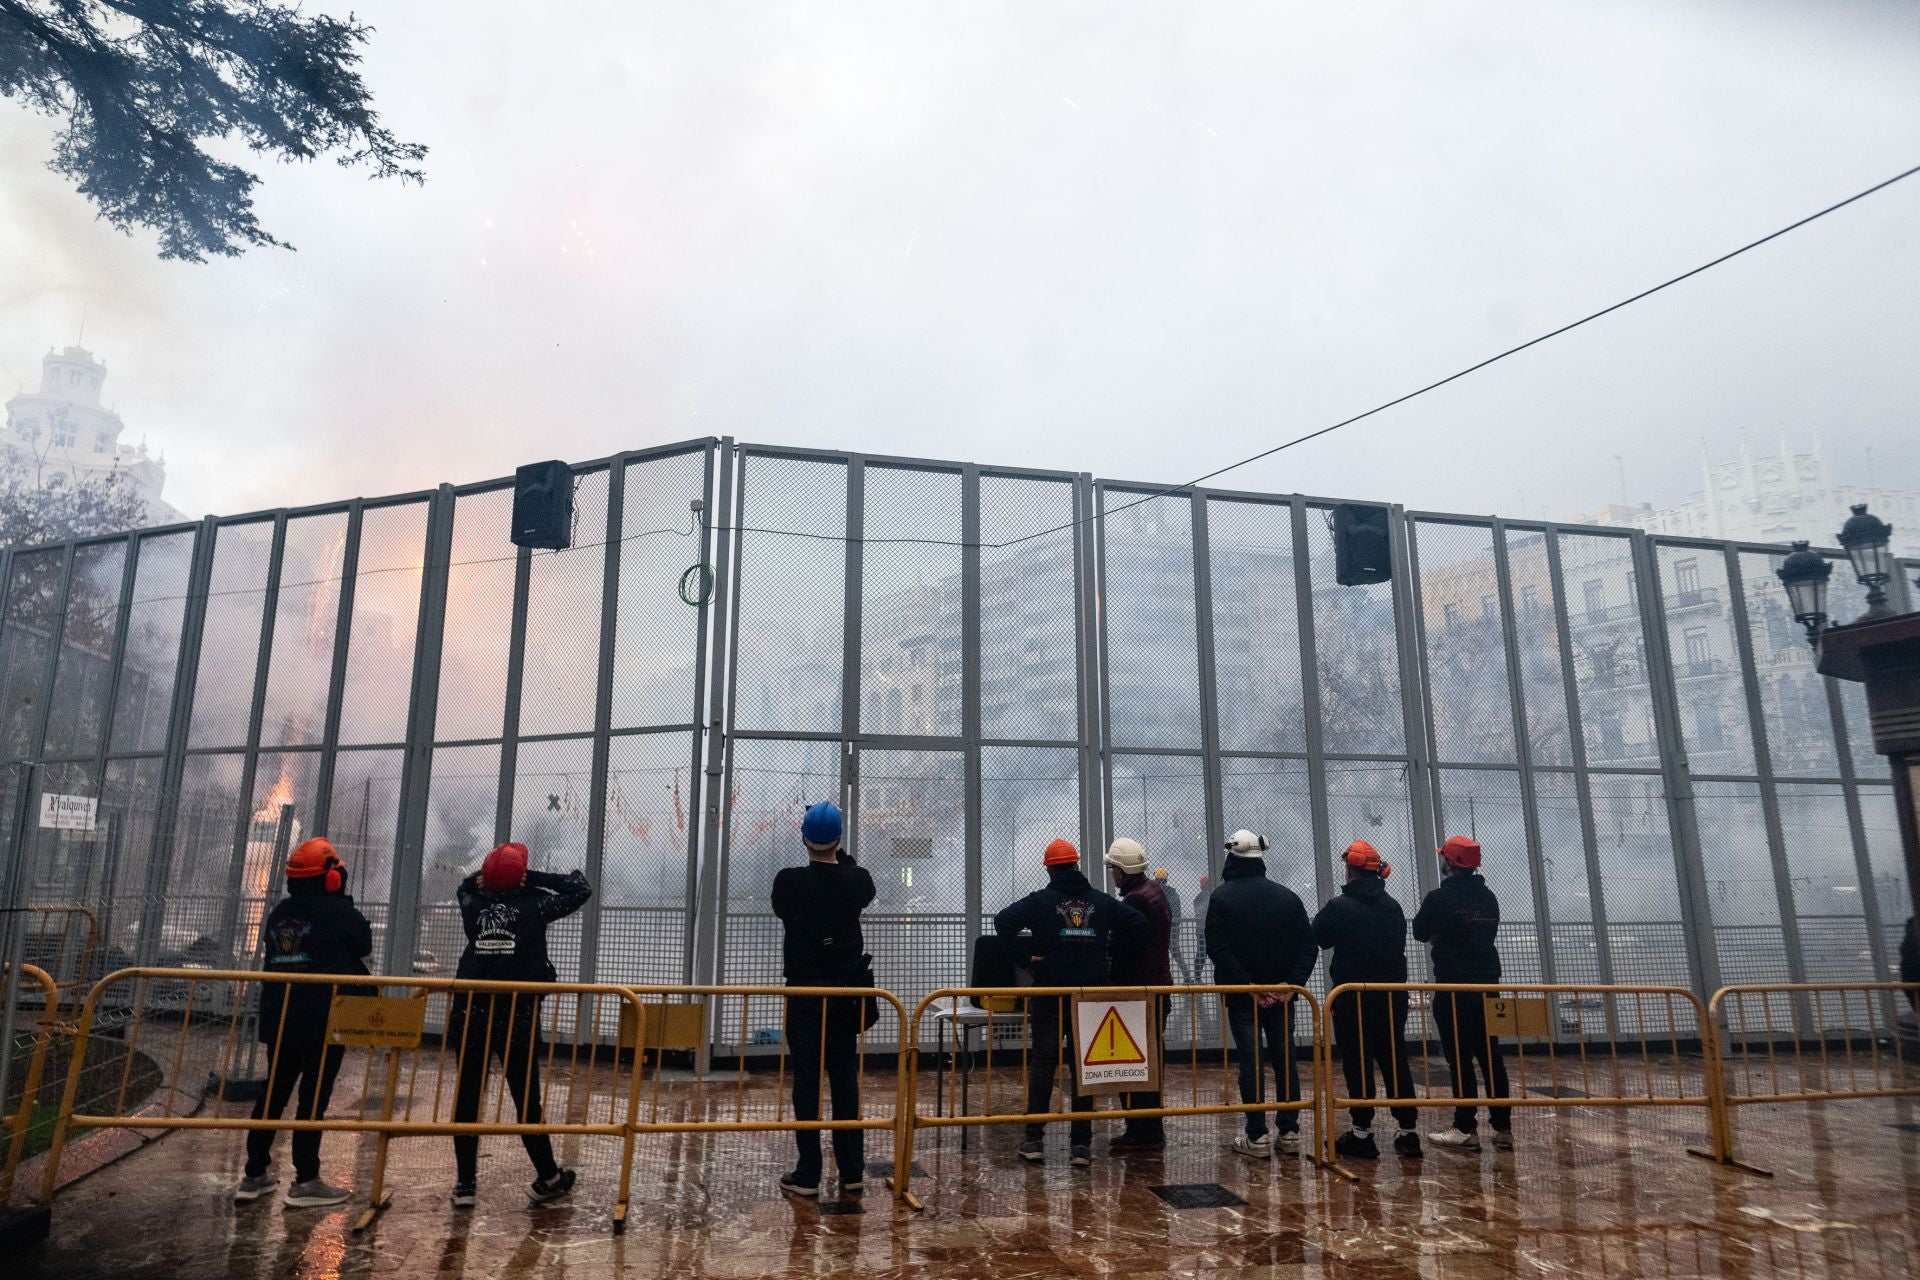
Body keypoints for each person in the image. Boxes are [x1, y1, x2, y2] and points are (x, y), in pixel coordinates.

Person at [448, 842, 591, 1208]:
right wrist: (533, 880)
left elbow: (465, 885)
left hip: (471, 1011)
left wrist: (489, 878)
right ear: (522, 876)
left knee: (467, 1096)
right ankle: (549, 1176)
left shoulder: (472, 903)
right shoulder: (535, 904)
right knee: (527, 1100)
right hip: (517, 1015)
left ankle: (465, 1185)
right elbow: (580, 888)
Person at [234, 837, 372, 1208]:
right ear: (331, 878)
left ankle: (253, 1175)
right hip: (322, 1020)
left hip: (280, 1017)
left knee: (273, 1094)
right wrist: (341, 900)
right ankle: (306, 1180)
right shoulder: (337, 912)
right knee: (313, 1100)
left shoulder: (280, 913)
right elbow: (363, 943)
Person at [995, 838, 1147, 1167]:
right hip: (1089, 995)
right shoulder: (1100, 902)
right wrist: (1110, 954)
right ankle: (1081, 1145)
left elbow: (1004, 921)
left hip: (1049, 994)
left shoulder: (1039, 902)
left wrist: (1027, 957)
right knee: (1083, 1068)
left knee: (1043, 1063)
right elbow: (1137, 922)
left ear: (1050, 869)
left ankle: (1034, 1139)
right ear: (1076, 865)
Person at [771, 801, 877, 1198]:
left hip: (805, 994)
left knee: (808, 1081)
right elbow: (856, 880)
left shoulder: (788, 882)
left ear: (804, 838)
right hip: (845, 994)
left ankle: (809, 1172)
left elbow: (783, 908)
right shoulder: (856, 881)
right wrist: (839, 853)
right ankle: (852, 1170)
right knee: (845, 1078)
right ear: (839, 838)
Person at [1206, 829, 1317, 1160]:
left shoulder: (1222, 898)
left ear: (1233, 857)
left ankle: (1257, 1136)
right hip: (1284, 998)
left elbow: (1217, 947)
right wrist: (1289, 986)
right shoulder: (1288, 898)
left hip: (1243, 999)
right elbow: (1308, 945)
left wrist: (1248, 985)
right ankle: (1290, 1131)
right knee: (1286, 1062)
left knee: (1250, 1064)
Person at [1314, 839, 1421, 1160]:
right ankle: (1409, 1131)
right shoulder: (1393, 907)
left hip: (1352, 999)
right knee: (1395, 1059)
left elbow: (1319, 935)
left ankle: (1362, 1133)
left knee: (1357, 1061)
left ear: (1350, 870)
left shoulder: (1340, 907)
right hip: (1391, 998)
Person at [1412, 836, 1512, 1152]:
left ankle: (1465, 1126)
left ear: (1450, 862)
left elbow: (1419, 932)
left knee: (1459, 1058)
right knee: (1490, 1056)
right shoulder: (1489, 897)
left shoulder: (1440, 898)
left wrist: (1442, 934)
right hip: (1487, 984)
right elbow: (1484, 934)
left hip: (1454, 987)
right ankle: (1503, 1127)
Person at [1104, 838, 1171, 1152]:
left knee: (1133, 1062)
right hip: (1157, 986)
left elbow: (1126, 947)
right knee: (1152, 1059)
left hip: (1136, 991)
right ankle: (1150, 1125)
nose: (1112, 875)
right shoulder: (1154, 892)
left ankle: (1139, 1127)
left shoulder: (1134, 901)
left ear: (1121, 870)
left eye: (1113, 869)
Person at [1156, 869, 1189, 983]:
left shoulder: (1156, 892)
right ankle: (1187, 977)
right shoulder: (1173, 893)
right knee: (1176, 953)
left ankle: (1160, 978)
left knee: (1159, 952)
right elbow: (1177, 911)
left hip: (1160, 927)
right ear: (1166, 879)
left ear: (1156, 879)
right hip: (1173, 926)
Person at [1192, 873, 1212, 979]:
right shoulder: (1209, 895)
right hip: (1206, 927)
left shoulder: (1199, 897)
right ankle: (1197, 976)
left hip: (1201, 928)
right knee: (1204, 952)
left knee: (1201, 952)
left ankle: (1197, 977)